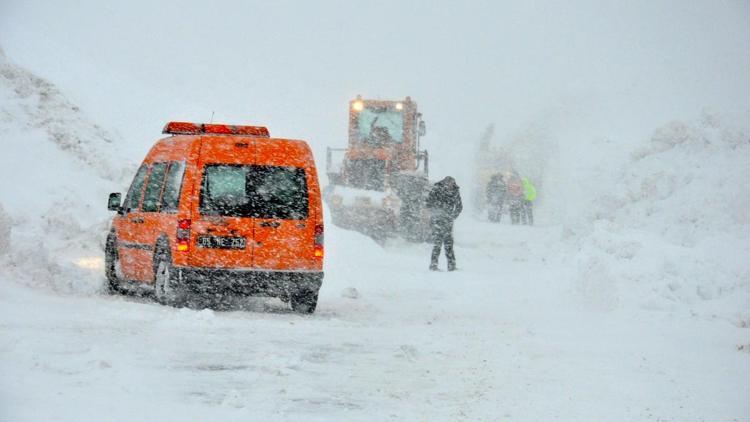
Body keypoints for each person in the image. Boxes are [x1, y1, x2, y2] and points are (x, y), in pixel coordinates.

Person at [425, 176, 463, 271]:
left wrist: (453, 215)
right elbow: (429, 203)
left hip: (448, 220)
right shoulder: (437, 189)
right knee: (438, 243)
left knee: (448, 243)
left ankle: (451, 266)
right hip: (438, 220)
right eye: (448, 184)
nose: (450, 186)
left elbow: (459, 206)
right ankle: (434, 265)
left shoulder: (455, 191)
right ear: (444, 183)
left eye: (451, 184)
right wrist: (437, 213)